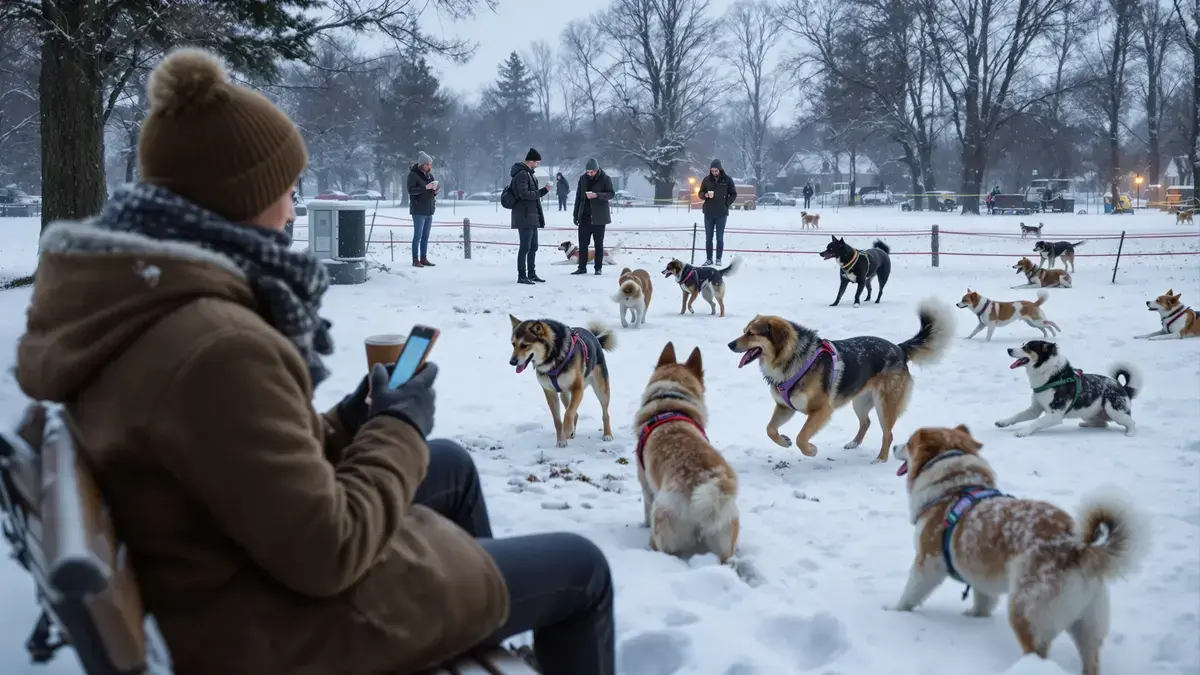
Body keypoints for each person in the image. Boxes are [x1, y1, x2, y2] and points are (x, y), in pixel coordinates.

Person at [14, 48, 614, 675]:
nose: (295, 209)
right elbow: (329, 549)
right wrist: (399, 425)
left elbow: (245, 456)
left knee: (455, 466)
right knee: (583, 570)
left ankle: (472, 621)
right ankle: (466, 625)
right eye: (285, 190)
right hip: (277, 623)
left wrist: (356, 415)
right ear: (240, 199)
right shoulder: (216, 344)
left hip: (230, 566)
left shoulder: (144, 303)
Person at [510, 148, 552, 285]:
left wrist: (543, 192)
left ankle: (531, 274)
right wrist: (543, 191)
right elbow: (525, 194)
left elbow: (531, 194)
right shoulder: (522, 174)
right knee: (525, 247)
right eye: (537, 162)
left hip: (531, 215)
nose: (538, 165)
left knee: (533, 246)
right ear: (531, 161)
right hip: (524, 216)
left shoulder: (529, 174)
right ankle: (522, 275)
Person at [571, 157, 615, 276]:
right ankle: (582, 267)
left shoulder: (605, 178)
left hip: (599, 217)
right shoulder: (582, 179)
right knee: (583, 244)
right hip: (584, 216)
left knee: (598, 244)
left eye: (592, 172)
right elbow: (578, 198)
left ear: (597, 170)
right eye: (587, 172)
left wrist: (597, 195)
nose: (589, 174)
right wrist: (576, 214)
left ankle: (598, 268)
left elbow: (611, 194)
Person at [698, 158, 737, 266]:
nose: (714, 173)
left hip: (721, 213)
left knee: (719, 237)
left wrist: (726, 204)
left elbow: (733, 194)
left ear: (720, 169)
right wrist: (704, 195)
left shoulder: (727, 180)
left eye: (716, 171)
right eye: (712, 171)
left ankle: (718, 258)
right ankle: (709, 259)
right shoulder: (706, 180)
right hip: (708, 213)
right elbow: (700, 192)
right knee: (708, 237)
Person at [408, 151, 439, 267]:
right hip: (418, 210)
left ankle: (424, 258)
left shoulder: (430, 176)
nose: (430, 167)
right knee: (417, 236)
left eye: (431, 165)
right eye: (428, 164)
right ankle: (415, 259)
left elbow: (429, 192)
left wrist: (435, 191)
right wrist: (426, 187)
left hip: (429, 210)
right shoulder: (413, 175)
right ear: (422, 164)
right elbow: (411, 191)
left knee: (425, 236)